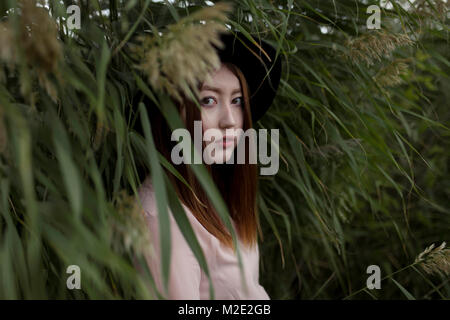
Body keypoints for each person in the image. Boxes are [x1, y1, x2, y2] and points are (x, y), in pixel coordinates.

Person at [134, 31, 282, 300]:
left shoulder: (217, 195)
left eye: (237, 101)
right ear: (169, 112)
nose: (230, 121)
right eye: (208, 100)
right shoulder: (161, 218)